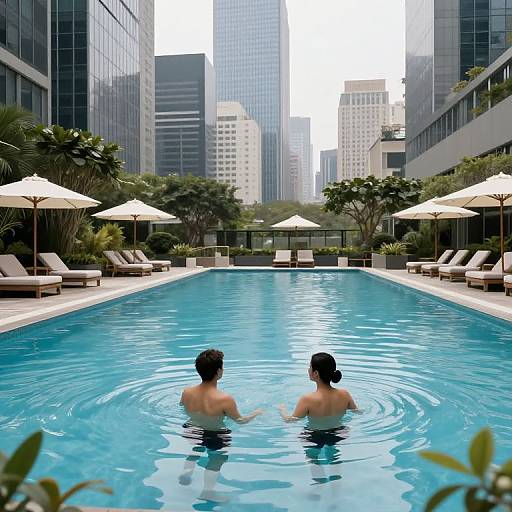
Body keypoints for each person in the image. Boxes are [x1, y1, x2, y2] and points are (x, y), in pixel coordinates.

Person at [179, 349, 263, 502]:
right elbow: (240, 421)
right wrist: (256, 413)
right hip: (215, 433)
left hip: (191, 429)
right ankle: (208, 492)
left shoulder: (186, 392)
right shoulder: (224, 399)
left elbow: (181, 407)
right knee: (217, 459)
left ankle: (187, 470)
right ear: (218, 372)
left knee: (196, 448)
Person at [279, 352, 358, 486]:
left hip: (314, 435)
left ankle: (319, 482)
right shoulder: (344, 394)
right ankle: (335, 479)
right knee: (333, 454)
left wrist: (282, 410)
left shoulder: (308, 399)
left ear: (315, 374)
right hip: (337, 432)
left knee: (313, 458)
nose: (308, 370)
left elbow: (290, 420)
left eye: (310, 367)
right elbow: (357, 411)